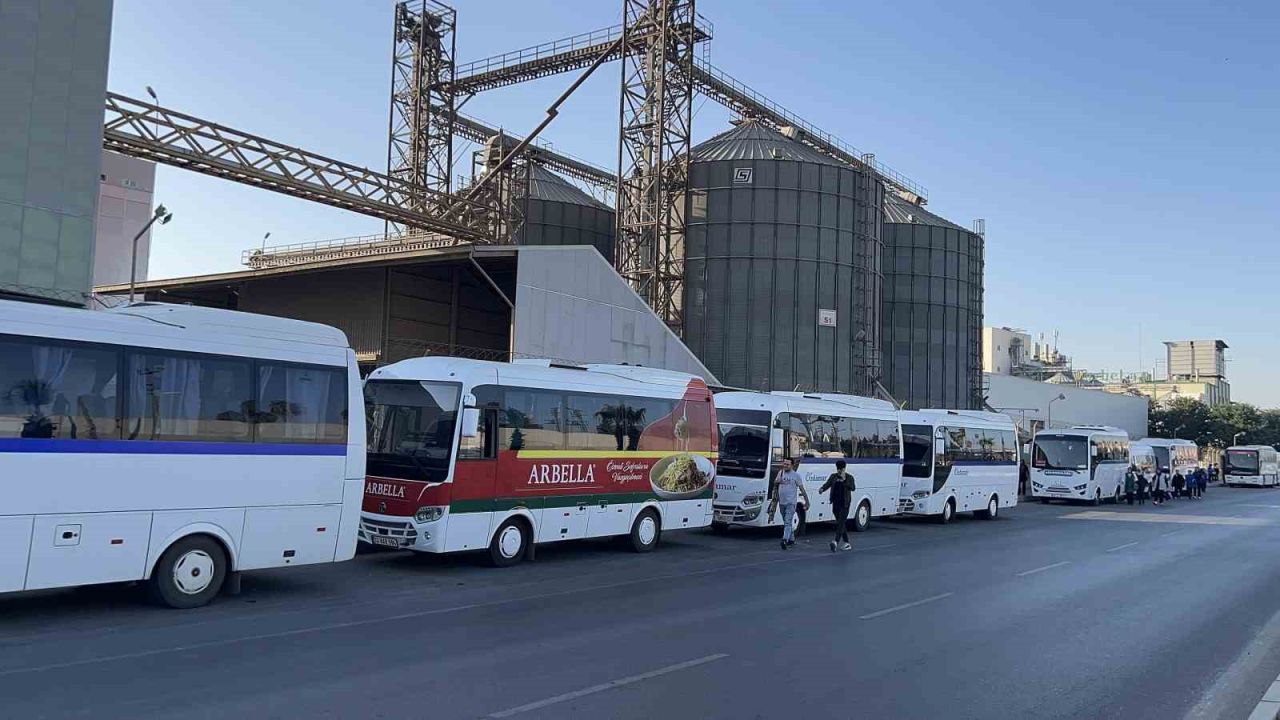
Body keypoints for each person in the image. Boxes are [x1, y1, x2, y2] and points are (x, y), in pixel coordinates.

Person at [768, 458, 810, 550]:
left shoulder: (796, 476)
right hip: (781, 502)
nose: (785, 465)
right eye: (784, 464)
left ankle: (784, 540)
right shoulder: (781, 473)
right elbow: (775, 482)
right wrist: (778, 481)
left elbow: (802, 489)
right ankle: (791, 539)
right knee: (786, 521)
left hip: (791, 503)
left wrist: (807, 501)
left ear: (792, 465)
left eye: (787, 464)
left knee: (787, 521)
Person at [819, 459, 856, 552]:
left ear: (844, 468)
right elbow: (828, 484)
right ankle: (847, 542)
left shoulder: (849, 477)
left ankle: (835, 542)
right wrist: (822, 488)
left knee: (840, 523)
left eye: (841, 469)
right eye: (838, 468)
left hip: (845, 504)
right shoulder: (833, 476)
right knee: (841, 523)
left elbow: (853, 488)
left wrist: (844, 480)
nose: (839, 470)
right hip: (835, 503)